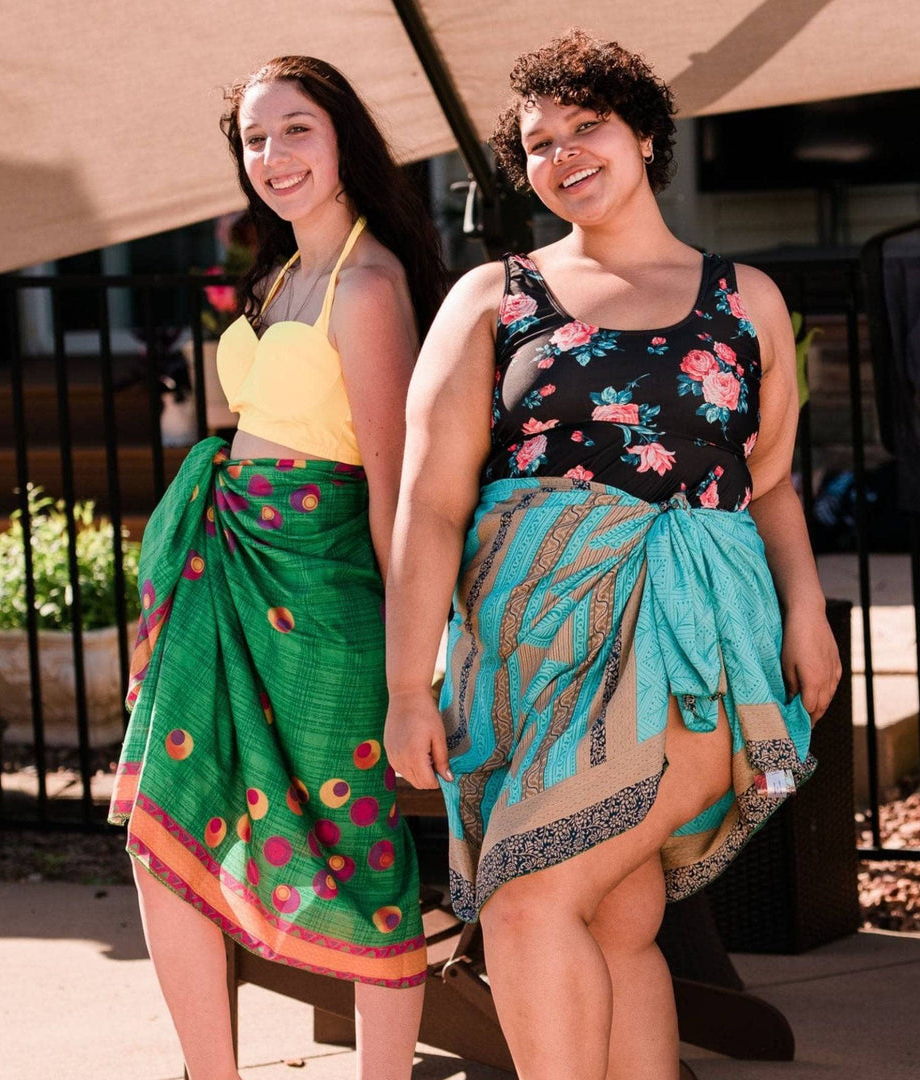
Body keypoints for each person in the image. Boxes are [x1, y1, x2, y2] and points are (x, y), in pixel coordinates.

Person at [384, 30, 841, 1080]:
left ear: (644, 135)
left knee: (529, 895)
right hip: (528, 654)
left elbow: (767, 479)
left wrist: (807, 609)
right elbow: (430, 501)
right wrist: (412, 685)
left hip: (694, 647)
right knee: (617, 913)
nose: (565, 153)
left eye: (587, 126)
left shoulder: (746, 298)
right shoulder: (491, 301)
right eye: (540, 143)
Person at [109, 55, 446, 1080]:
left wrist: (409, 676)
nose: (272, 156)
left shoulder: (372, 282)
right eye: (255, 138)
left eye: (294, 129)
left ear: (344, 136)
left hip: (322, 601)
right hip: (227, 581)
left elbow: (395, 490)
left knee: (358, 856)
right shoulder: (282, 274)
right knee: (161, 840)